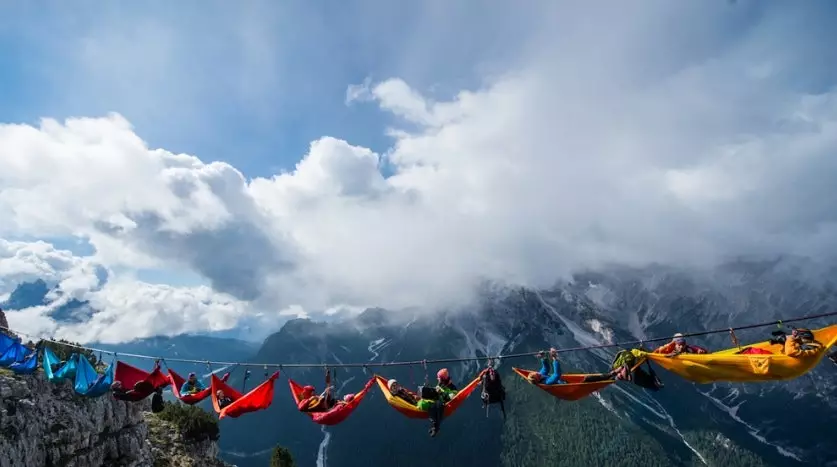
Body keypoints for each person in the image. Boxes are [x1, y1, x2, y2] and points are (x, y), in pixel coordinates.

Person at [417, 368, 459, 437]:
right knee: (423, 393)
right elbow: (436, 391)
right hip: (436, 398)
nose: (437, 379)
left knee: (434, 405)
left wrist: (441, 392)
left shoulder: (452, 388)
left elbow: (450, 397)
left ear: (442, 379)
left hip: (442, 403)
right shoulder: (441, 384)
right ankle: (419, 395)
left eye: (439, 378)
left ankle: (435, 426)